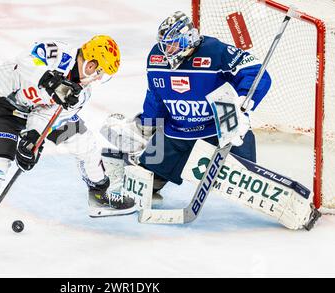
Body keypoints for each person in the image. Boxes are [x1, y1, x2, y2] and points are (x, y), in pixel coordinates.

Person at [101, 11, 321, 230]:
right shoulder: (156, 58)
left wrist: (243, 103)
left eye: (173, 45)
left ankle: (299, 210)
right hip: (175, 135)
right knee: (144, 181)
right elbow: (155, 95)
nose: (167, 51)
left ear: (188, 38)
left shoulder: (215, 51)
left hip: (219, 133)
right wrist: (149, 124)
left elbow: (257, 73)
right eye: (164, 45)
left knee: (251, 183)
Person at [0, 35, 135, 262]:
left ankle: (99, 192)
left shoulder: (81, 92)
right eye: (100, 72)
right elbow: (25, 64)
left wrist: (32, 139)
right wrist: (52, 82)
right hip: (3, 107)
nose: (99, 78)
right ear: (92, 64)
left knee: (84, 142)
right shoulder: (57, 52)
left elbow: (46, 115)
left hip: (35, 115)